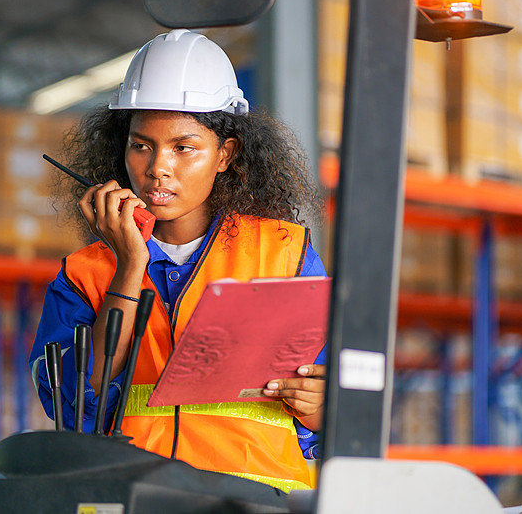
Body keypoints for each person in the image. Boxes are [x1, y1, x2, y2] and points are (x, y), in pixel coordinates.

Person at [29, 29, 328, 493]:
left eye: (183, 147)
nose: (158, 167)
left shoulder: (286, 255)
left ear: (224, 154)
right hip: (131, 493)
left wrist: (316, 403)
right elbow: (75, 405)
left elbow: (333, 402)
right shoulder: (84, 274)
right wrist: (130, 264)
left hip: (255, 500)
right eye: (141, 144)